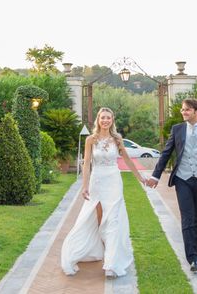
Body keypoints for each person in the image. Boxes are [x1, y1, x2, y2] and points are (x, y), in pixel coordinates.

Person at [61, 107, 146, 278]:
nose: (105, 120)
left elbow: (127, 160)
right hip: (97, 181)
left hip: (114, 181)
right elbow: (86, 165)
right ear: (98, 120)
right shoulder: (91, 140)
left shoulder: (117, 139)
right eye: (102, 118)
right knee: (98, 220)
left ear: (112, 120)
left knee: (113, 219)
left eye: (108, 118)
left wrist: (140, 177)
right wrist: (84, 186)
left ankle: (111, 264)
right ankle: (92, 250)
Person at [146, 98, 197, 272]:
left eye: (187, 110)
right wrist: (155, 176)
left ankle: (194, 251)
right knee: (187, 217)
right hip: (183, 179)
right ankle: (193, 258)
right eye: (182, 110)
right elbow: (166, 153)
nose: (183, 112)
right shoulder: (177, 129)